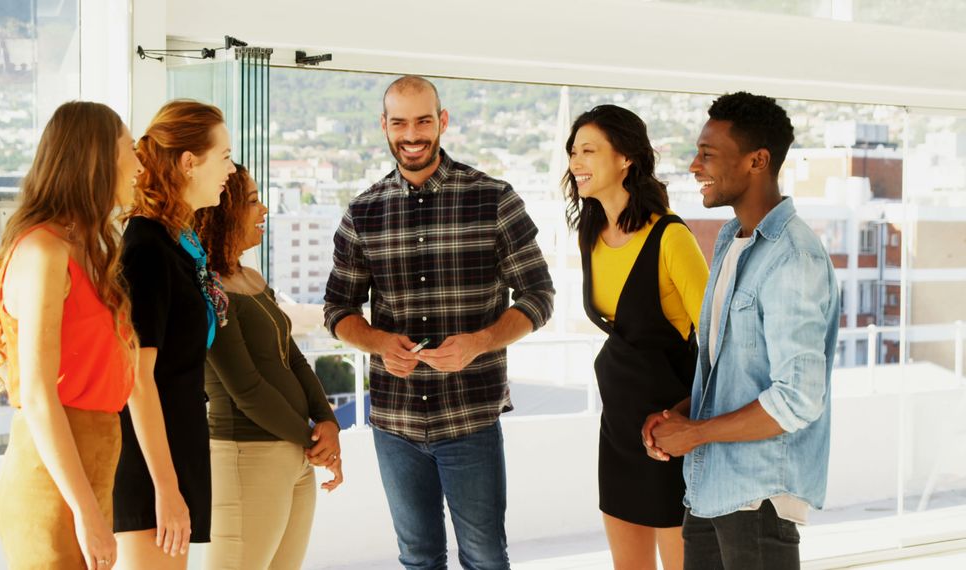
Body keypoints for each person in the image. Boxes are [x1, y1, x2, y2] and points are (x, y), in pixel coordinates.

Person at [323, 75, 555, 570]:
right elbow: (337, 310)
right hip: (395, 423)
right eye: (400, 122)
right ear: (384, 126)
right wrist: (380, 342)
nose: (413, 134)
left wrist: (480, 342)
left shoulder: (494, 198)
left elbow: (539, 295)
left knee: (486, 558)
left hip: (470, 416)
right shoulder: (362, 213)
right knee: (418, 559)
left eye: (424, 120)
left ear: (442, 121)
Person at [643, 92, 839, 570]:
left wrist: (696, 433)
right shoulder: (731, 239)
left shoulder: (793, 258)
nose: (694, 165)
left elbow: (797, 397)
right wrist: (680, 418)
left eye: (708, 153)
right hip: (710, 490)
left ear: (758, 160)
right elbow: (736, 373)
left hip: (759, 499)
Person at [0, 101, 142, 569]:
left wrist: (91, 507)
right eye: (130, 148)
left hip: (90, 471)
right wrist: (87, 514)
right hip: (52, 485)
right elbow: (39, 395)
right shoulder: (45, 251)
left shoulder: (84, 249)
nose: (138, 164)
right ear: (96, 158)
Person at [565, 105, 709, 570]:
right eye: (573, 151)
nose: (576, 161)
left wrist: (684, 422)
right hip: (619, 429)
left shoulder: (671, 237)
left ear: (626, 158)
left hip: (667, 433)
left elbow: (719, 343)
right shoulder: (589, 234)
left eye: (589, 150)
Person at [197, 165, 344, 570]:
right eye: (251, 202)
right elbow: (246, 388)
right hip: (248, 455)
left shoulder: (252, 278)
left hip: (293, 454)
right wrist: (314, 440)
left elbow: (291, 356)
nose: (263, 210)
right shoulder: (209, 288)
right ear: (221, 213)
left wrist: (326, 421)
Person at [114, 100, 236, 570]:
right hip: (152, 463)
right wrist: (165, 486)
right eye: (223, 156)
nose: (230, 169)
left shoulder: (180, 241)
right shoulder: (146, 246)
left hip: (176, 445)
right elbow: (137, 380)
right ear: (189, 162)